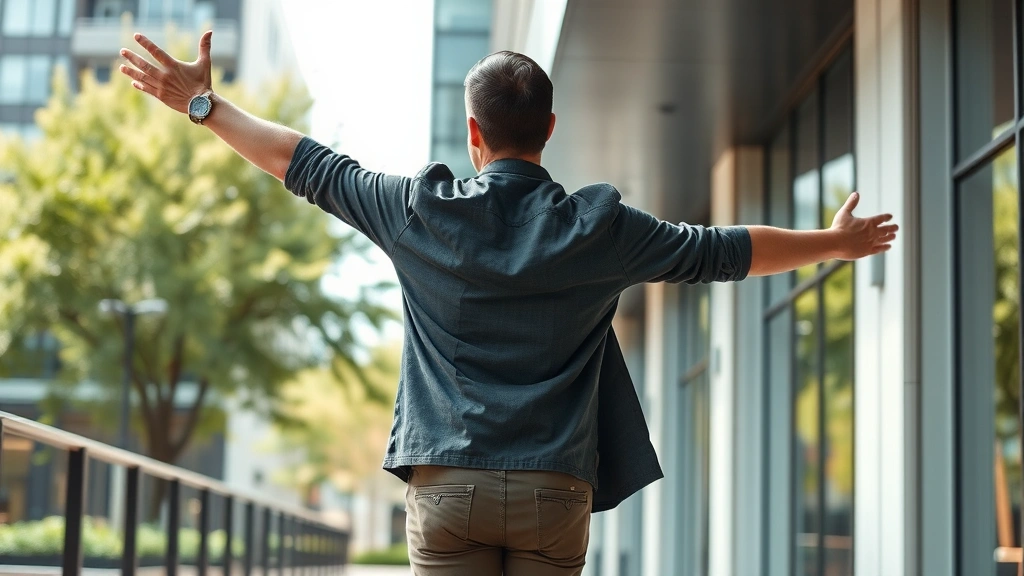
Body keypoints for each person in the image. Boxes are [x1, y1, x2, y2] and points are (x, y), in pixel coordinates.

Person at [119, 31, 897, 576]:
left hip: (447, 484)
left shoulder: (417, 212)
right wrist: (835, 244)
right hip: (554, 489)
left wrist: (203, 106)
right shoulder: (602, 228)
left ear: (473, 134)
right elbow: (723, 250)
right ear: (549, 130)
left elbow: (303, 162)